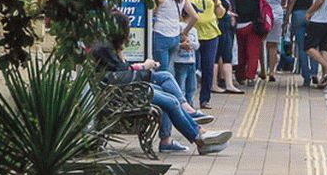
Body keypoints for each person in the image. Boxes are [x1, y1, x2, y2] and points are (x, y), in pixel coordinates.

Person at [92, 11, 230, 153]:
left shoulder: (110, 46)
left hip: (128, 89)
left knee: (167, 84)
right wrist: (144, 67)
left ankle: (193, 126)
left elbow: (122, 70)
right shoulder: (105, 49)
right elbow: (119, 75)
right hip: (123, 93)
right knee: (170, 101)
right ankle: (199, 136)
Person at [184, 0, 225, 109]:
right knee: (192, 68)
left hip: (211, 33)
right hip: (193, 33)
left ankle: (204, 99)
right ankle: (188, 98)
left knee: (208, 67)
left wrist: (217, 2)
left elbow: (220, 14)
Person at [152, 0, 197, 74]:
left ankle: (169, 91)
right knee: (169, 69)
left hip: (161, 34)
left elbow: (150, 13)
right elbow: (195, 16)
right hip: (175, 36)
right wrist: (184, 32)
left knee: (161, 72)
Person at [210, 0, 244, 95]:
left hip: (225, 27)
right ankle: (214, 84)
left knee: (226, 55)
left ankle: (228, 84)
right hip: (219, 27)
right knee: (217, 55)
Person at [287, 0, 319, 87]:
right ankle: (314, 73)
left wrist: (286, 19)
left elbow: (291, 1)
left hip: (298, 14)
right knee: (314, 45)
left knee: (301, 47)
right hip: (313, 14)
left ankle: (306, 77)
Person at [255, 0, 288, 82]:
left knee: (260, 42)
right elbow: (284, 1)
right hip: (277, 15)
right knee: (273, 44)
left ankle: (262, 69)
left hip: (263, 15)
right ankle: (272, 71)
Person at [234, 0, 264, 85]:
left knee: (241, 52)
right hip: (253, 27)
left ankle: (240, 76)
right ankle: (250, 76)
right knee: (252, 52)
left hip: (238, 26)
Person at [173, 22, 199, 108]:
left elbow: (197, 45)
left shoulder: (194, 29)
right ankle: (182, 107)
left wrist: (189, 43)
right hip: (180, 62)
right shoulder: (178, 26)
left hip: (191, 61)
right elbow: (174, 44)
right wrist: (181, 45)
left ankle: (190, 105)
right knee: (181, 86)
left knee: (192, 86)